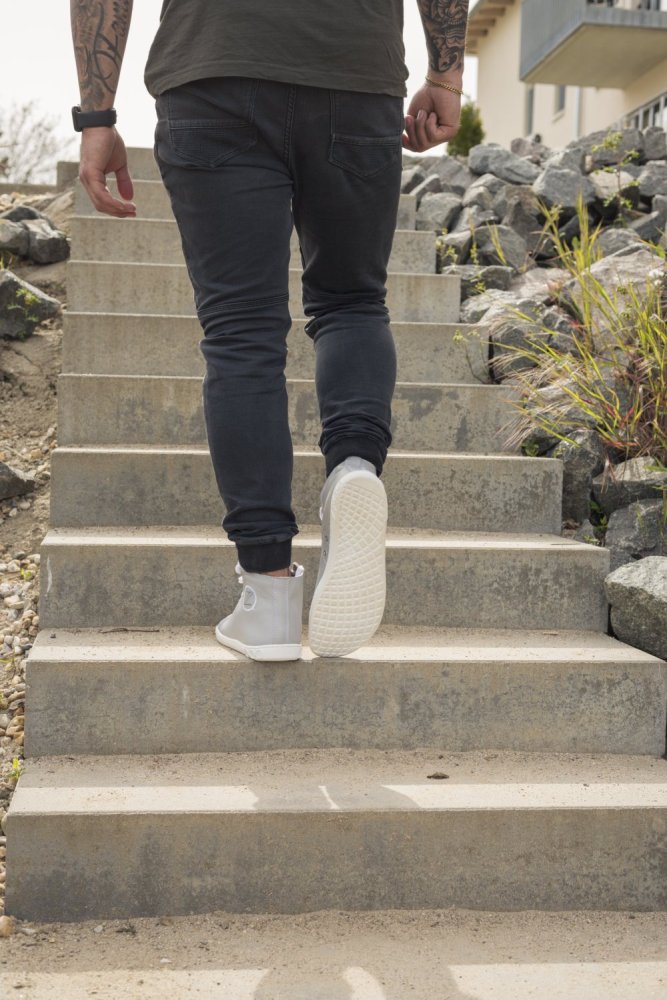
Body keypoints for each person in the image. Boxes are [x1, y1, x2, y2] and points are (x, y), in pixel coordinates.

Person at [70, 0, 469, 662]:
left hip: (212, 72)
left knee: (240, 331)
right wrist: (446, 75)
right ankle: (352, 468)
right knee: (351, 302)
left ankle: (269, 594)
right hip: (355, 72)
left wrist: (96, 117)